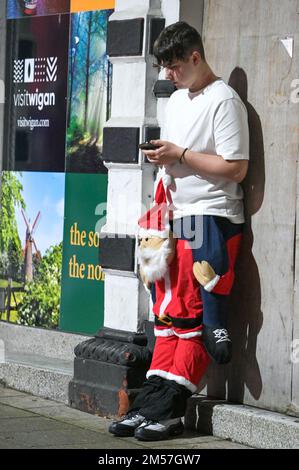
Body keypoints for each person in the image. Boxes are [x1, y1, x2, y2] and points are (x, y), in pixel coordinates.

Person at [109, 21, 249, 442]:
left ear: (195, 56)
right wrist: (166, 159)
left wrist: (182, 154)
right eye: (164, 68)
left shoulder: (225, 101)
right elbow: (179, 161)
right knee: (167, 317)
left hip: (212, 215)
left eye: (174, 66)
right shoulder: (177, 102)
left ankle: (170, 410)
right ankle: (150, 402)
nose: (168, 75)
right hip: (175, 215)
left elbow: (236, 168)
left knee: (189, 316)